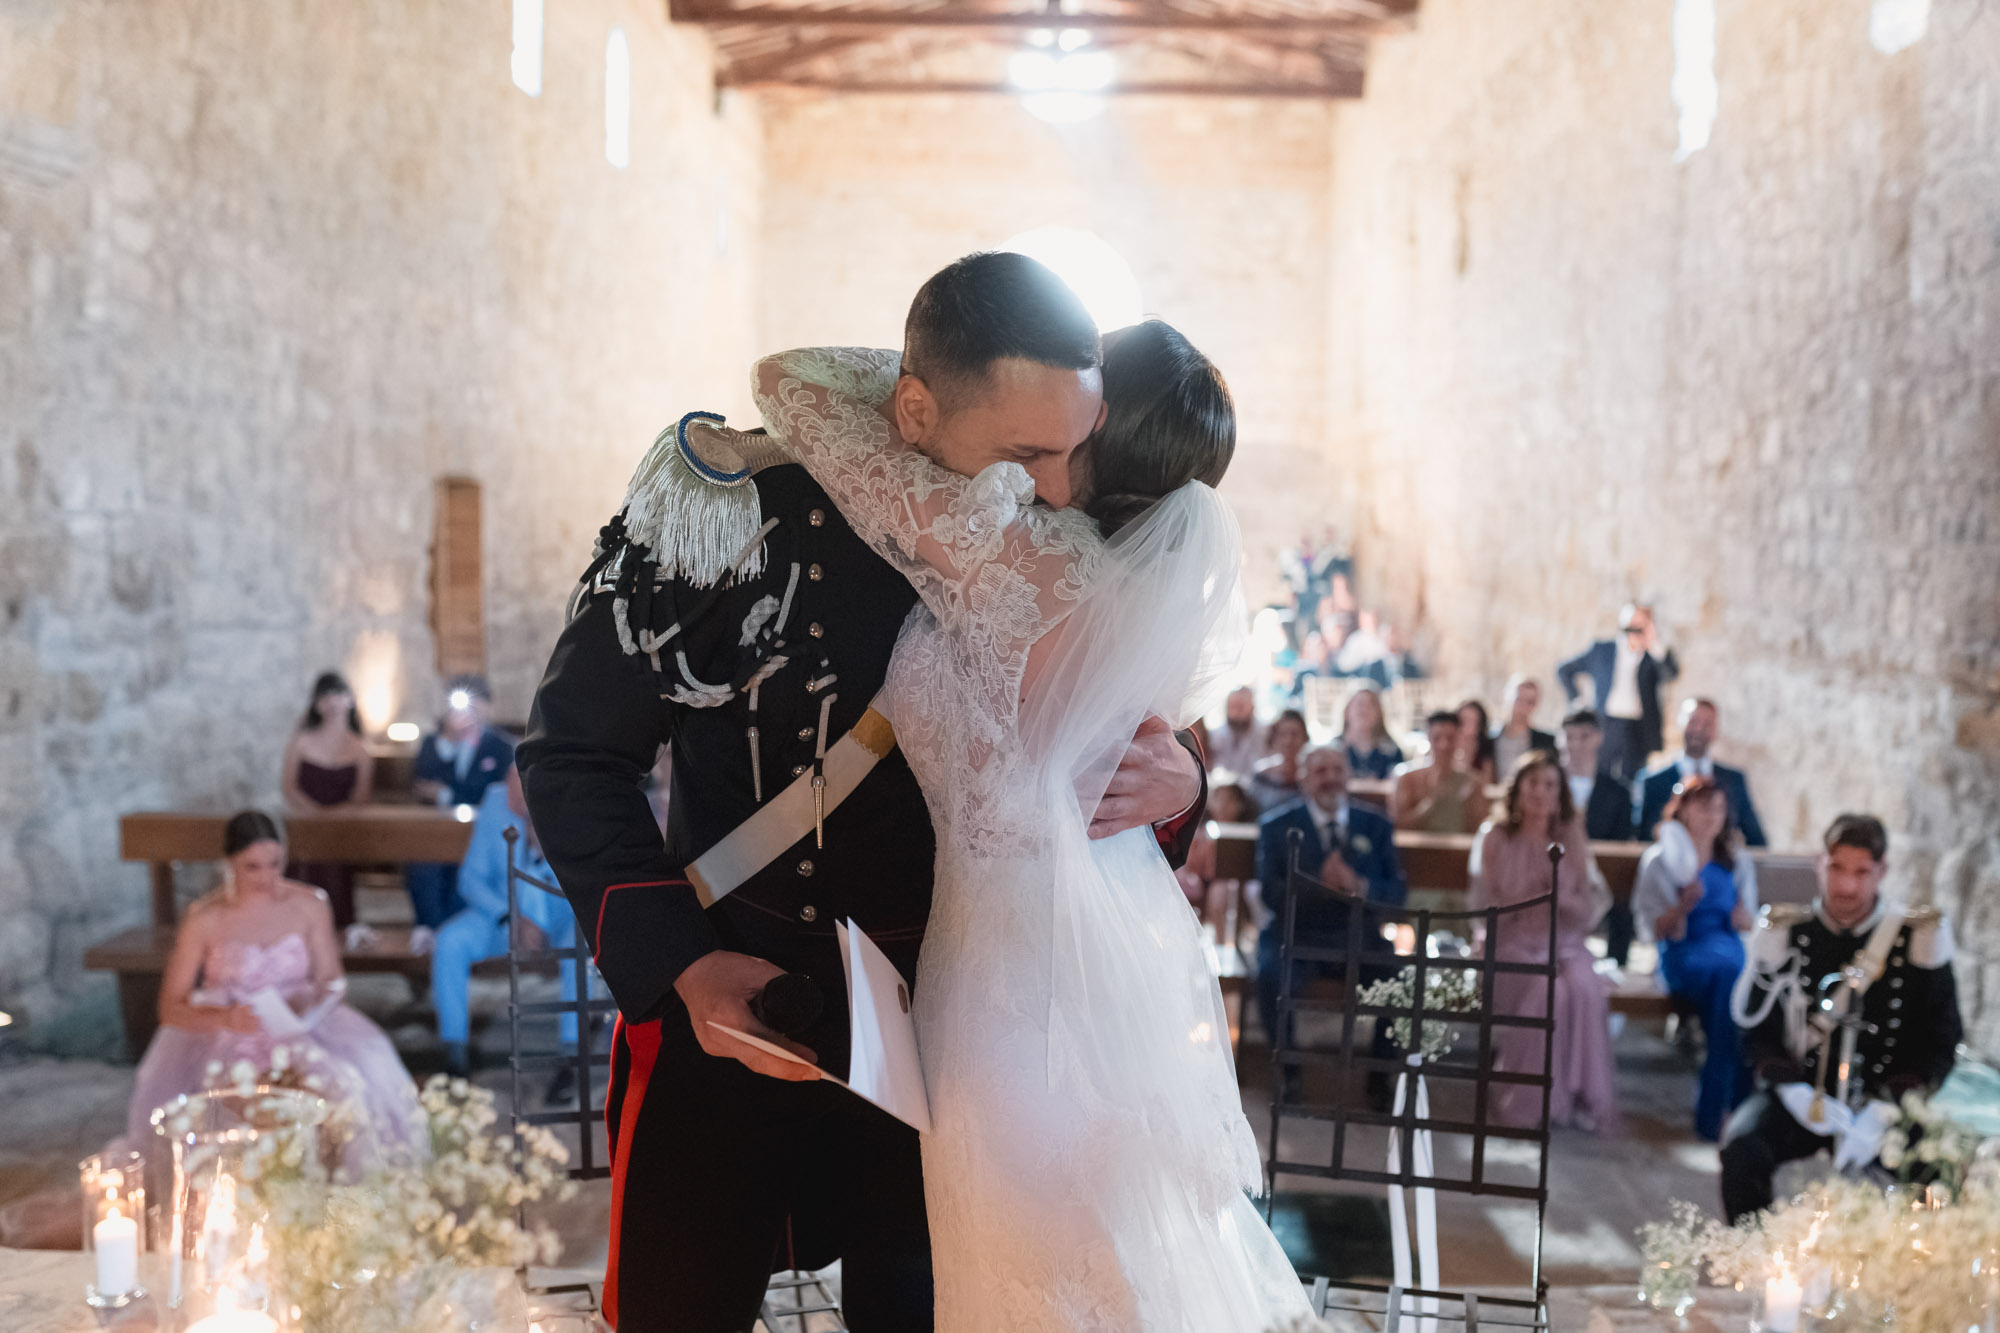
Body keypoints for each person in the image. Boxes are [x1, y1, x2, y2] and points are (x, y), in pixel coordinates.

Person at [518, 254, 1253, 1333]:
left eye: (1072, 450)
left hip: (944, 1042)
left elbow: (1121, 711)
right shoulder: (729, 517)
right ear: (916, 406)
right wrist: (680, 960)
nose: (1053, 486)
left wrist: (1185, 779)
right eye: (1024, 452)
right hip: (734, 1007)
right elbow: (571, 752)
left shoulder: (1051, 514)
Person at [744, 318, 1313, 1330]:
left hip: (1010, 1000)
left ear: (1086, 421)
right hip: (1106, 967)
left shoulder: (997, 546)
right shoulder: (1143, 586)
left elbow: (789, 379)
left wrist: (966, 388)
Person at [124, 811, 421, 1168]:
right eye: (253, 866)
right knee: (231, 1105)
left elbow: (332, 979)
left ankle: (334, 1192)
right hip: (228, 1032)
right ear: (230, 862)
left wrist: (309, 1006)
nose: (266, 877)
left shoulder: (310, 904)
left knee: (348, 1086)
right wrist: (224, 1017)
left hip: (300, 1026)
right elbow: (170, 1006)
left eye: (275, 864)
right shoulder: (205, 918)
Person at [1720, 814, 1962, 1222]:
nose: (1847, 885)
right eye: (1837, 868)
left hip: (1883, 1104)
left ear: (1881, 872)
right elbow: (1755, 1030)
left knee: (1939, 1168)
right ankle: (1755, 1265)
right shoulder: (1784, 931)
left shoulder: (1919, 937)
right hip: (1801, 1096)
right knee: (1742, 1146)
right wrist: (1790, 1090)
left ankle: (1918, 1269)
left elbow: (1942, 1037)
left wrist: (1887, 1108)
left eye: (1861, 872)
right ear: (1820, 863)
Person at [1468, 752, 1616, 1132]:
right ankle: (1532, 1101)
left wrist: (1560, 897)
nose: (1540, 793)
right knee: (1547, 991)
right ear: (1517, 791)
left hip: (1564, 941)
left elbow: (1587, 906)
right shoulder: (1496, 837)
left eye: (1549, 785)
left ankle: (1580, 1096)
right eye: (1532, 783)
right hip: (1510, 944)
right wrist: (1528, 898)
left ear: (1559, 794)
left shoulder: (1570, 837)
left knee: (1583, 988)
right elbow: (1485, 906)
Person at [1255, 746, 1407, 1092]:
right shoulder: (1276, 826)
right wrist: (1317, 883)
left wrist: (1361, 886)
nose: (1331, 778)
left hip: (1358, 936)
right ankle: (1288, 1072)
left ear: (1349, 777)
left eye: (1338, 770)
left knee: (1396, 979)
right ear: (1305, 781)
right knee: (1269, 975)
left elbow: (1397, 893)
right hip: (1297, 934)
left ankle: (1380, 1078)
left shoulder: (1377, 824)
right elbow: (1271, 895)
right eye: (1321, 771)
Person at [430, 762, 581, 1091]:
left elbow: (580, 881)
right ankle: (455, 1054)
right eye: (510, 780)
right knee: (449, 941)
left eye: (523, 782)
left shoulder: (566, 802)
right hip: (502, 915)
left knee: (579, 949)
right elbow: (470, 878)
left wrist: (540, 851)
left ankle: (570, 1056)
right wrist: (508, 916)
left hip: (559, 915)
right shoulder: (495, 801)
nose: (514, 792)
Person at [1633, 777, 1757, 1141]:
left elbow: (1750, 920)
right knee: (1731, 992)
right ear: (1684, 809)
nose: (1712, 817)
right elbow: (1651, 929)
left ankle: (1716, 1113)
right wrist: (1682, 906)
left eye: (1719, 809)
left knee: (1731, 986)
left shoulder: (1735, 860)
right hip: (1684, 951)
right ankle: (1731, 1110)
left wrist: (1741, 916)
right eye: (1704, 807)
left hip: (1727, 947)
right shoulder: (1660, 861)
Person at [405, 675, 516, 945]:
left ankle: (454, 934)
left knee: (464, 878)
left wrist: (447, 793)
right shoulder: (435, 742)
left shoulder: (501, 747)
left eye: (477, 705)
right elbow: (422, 782)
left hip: (479, 834)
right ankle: (432, 932)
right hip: (436, 831)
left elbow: (494, 793)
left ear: (488, 707)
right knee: (422, 867)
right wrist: (450, 741)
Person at [280, 672, 373, 927]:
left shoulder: (360, 750)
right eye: (325, 696)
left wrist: (332, 819)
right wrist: (313, 815)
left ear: (350, 701)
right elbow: (289, 788)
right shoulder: (300, 743)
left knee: (337, 874)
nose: (333, 703)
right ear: (316, 703)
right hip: (305, 828)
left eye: (339, 695)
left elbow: (361, 799)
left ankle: (339, 934)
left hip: (342, 831)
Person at [1556, 603, 1679, 783]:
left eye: (1641, 626)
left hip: (1638, 728)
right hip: (1606, 724)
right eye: (1632, 626)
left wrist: (1655, 645)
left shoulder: (1653, 656)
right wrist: (1577, 701)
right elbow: (1564, 670)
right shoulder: (1602, 650)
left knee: (1634, 780)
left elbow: (1670, 674)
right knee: (1599, 775)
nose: (1635, 632)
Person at [1635, 698, 1767, 846]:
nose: (1699, 729)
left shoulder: (1733, 780)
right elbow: (1643, 839)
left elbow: (1756, 839)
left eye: (1707, 724)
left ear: (1715, 730)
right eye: (1693, 721)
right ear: (1681, 723)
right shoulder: (1653, 782)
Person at [1391, 711, 1484, 833]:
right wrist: (1431, 800)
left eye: (1450, 738)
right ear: (1428, 737)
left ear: (1458, 738)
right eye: (1437, 738)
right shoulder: (1406, 777)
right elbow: (1399, 826)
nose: (1443, 745)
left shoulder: (1473, 781)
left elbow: (1480, 831)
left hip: (1459, 851)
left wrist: (1467, 804)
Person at [1491, 676, 1555, 779]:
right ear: (1507, 698)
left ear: (1536, 705)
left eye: (1530, 702)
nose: (1523, 707)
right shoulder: (1490, 739)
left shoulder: (1545, 743)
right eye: (1518, 700)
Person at [1247, 708, 1310, 812]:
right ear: (1274, 738)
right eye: (1283, 734)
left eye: (1294, 734)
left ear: (1304, 738)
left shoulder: (1313, 775)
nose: (1288, 741)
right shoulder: (1262, 775)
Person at [1338, 684, 1404, 780]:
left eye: (1371, 705)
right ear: (1347, 710)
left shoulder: (1392, 751)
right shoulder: (1334, 750)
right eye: (1359, 705)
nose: (1364, 710)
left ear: (1380, 713)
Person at [1206, 685, 1267, 779]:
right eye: (1232, 707)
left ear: (1252, 708)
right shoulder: (1215, 735)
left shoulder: (1266, 733)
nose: (1235, 713)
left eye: (1240, 707)